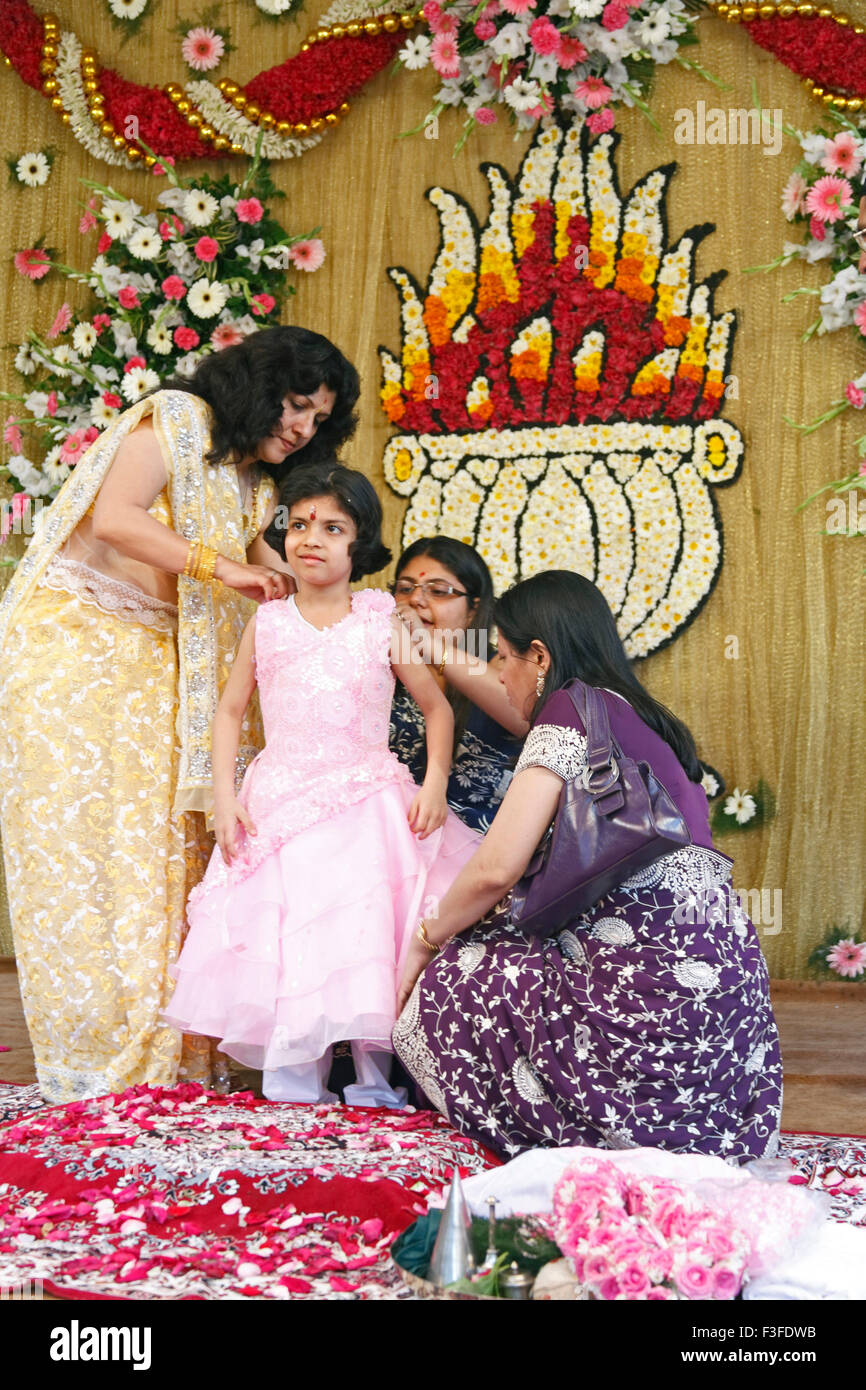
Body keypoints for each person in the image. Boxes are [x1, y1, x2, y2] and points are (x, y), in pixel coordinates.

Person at [0, 325, 360, 1103]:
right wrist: (220, 567)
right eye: (297, 406)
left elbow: (277, 572)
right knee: (100, 847)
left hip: (154, 657)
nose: (302, 429)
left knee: (165, 848)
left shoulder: (255, 486)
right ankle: (98, 1051)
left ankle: (168, 1047)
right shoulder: (177, 419)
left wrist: (355, 611)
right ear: (260, 385)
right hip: (76, 647)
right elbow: (116, 520)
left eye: (318, 421)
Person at [393, 570, 783, 1163]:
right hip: (730, 1032)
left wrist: (424, 939)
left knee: (459, 971)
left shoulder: (568, 714)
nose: (498, 673)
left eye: (502, 657)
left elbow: (496, 868)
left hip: (654, 1003)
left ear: (539, 656)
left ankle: (572, 1134)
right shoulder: (635, 713)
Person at [162, 461, 481, 1106]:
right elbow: (229, 712)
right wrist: (225, 799)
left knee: (360, 927)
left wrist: (436, 783)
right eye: (300, 523)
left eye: (333, 527)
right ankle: (293, 1080)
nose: (312, 537)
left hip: (364, 798)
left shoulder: (380, 620)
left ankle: (372, 1080)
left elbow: (437, 707)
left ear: (358, 545)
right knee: (293, 931)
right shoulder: (270, 619)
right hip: (279, 800)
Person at [388, 538, 525, 833]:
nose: (416, 600)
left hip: (477, 851)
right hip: (389, 839)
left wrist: (428, 646)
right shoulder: (381, 667)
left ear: (473, 611)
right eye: (405, 588)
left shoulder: (501, 664)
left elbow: (522, 716)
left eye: (438, 591)